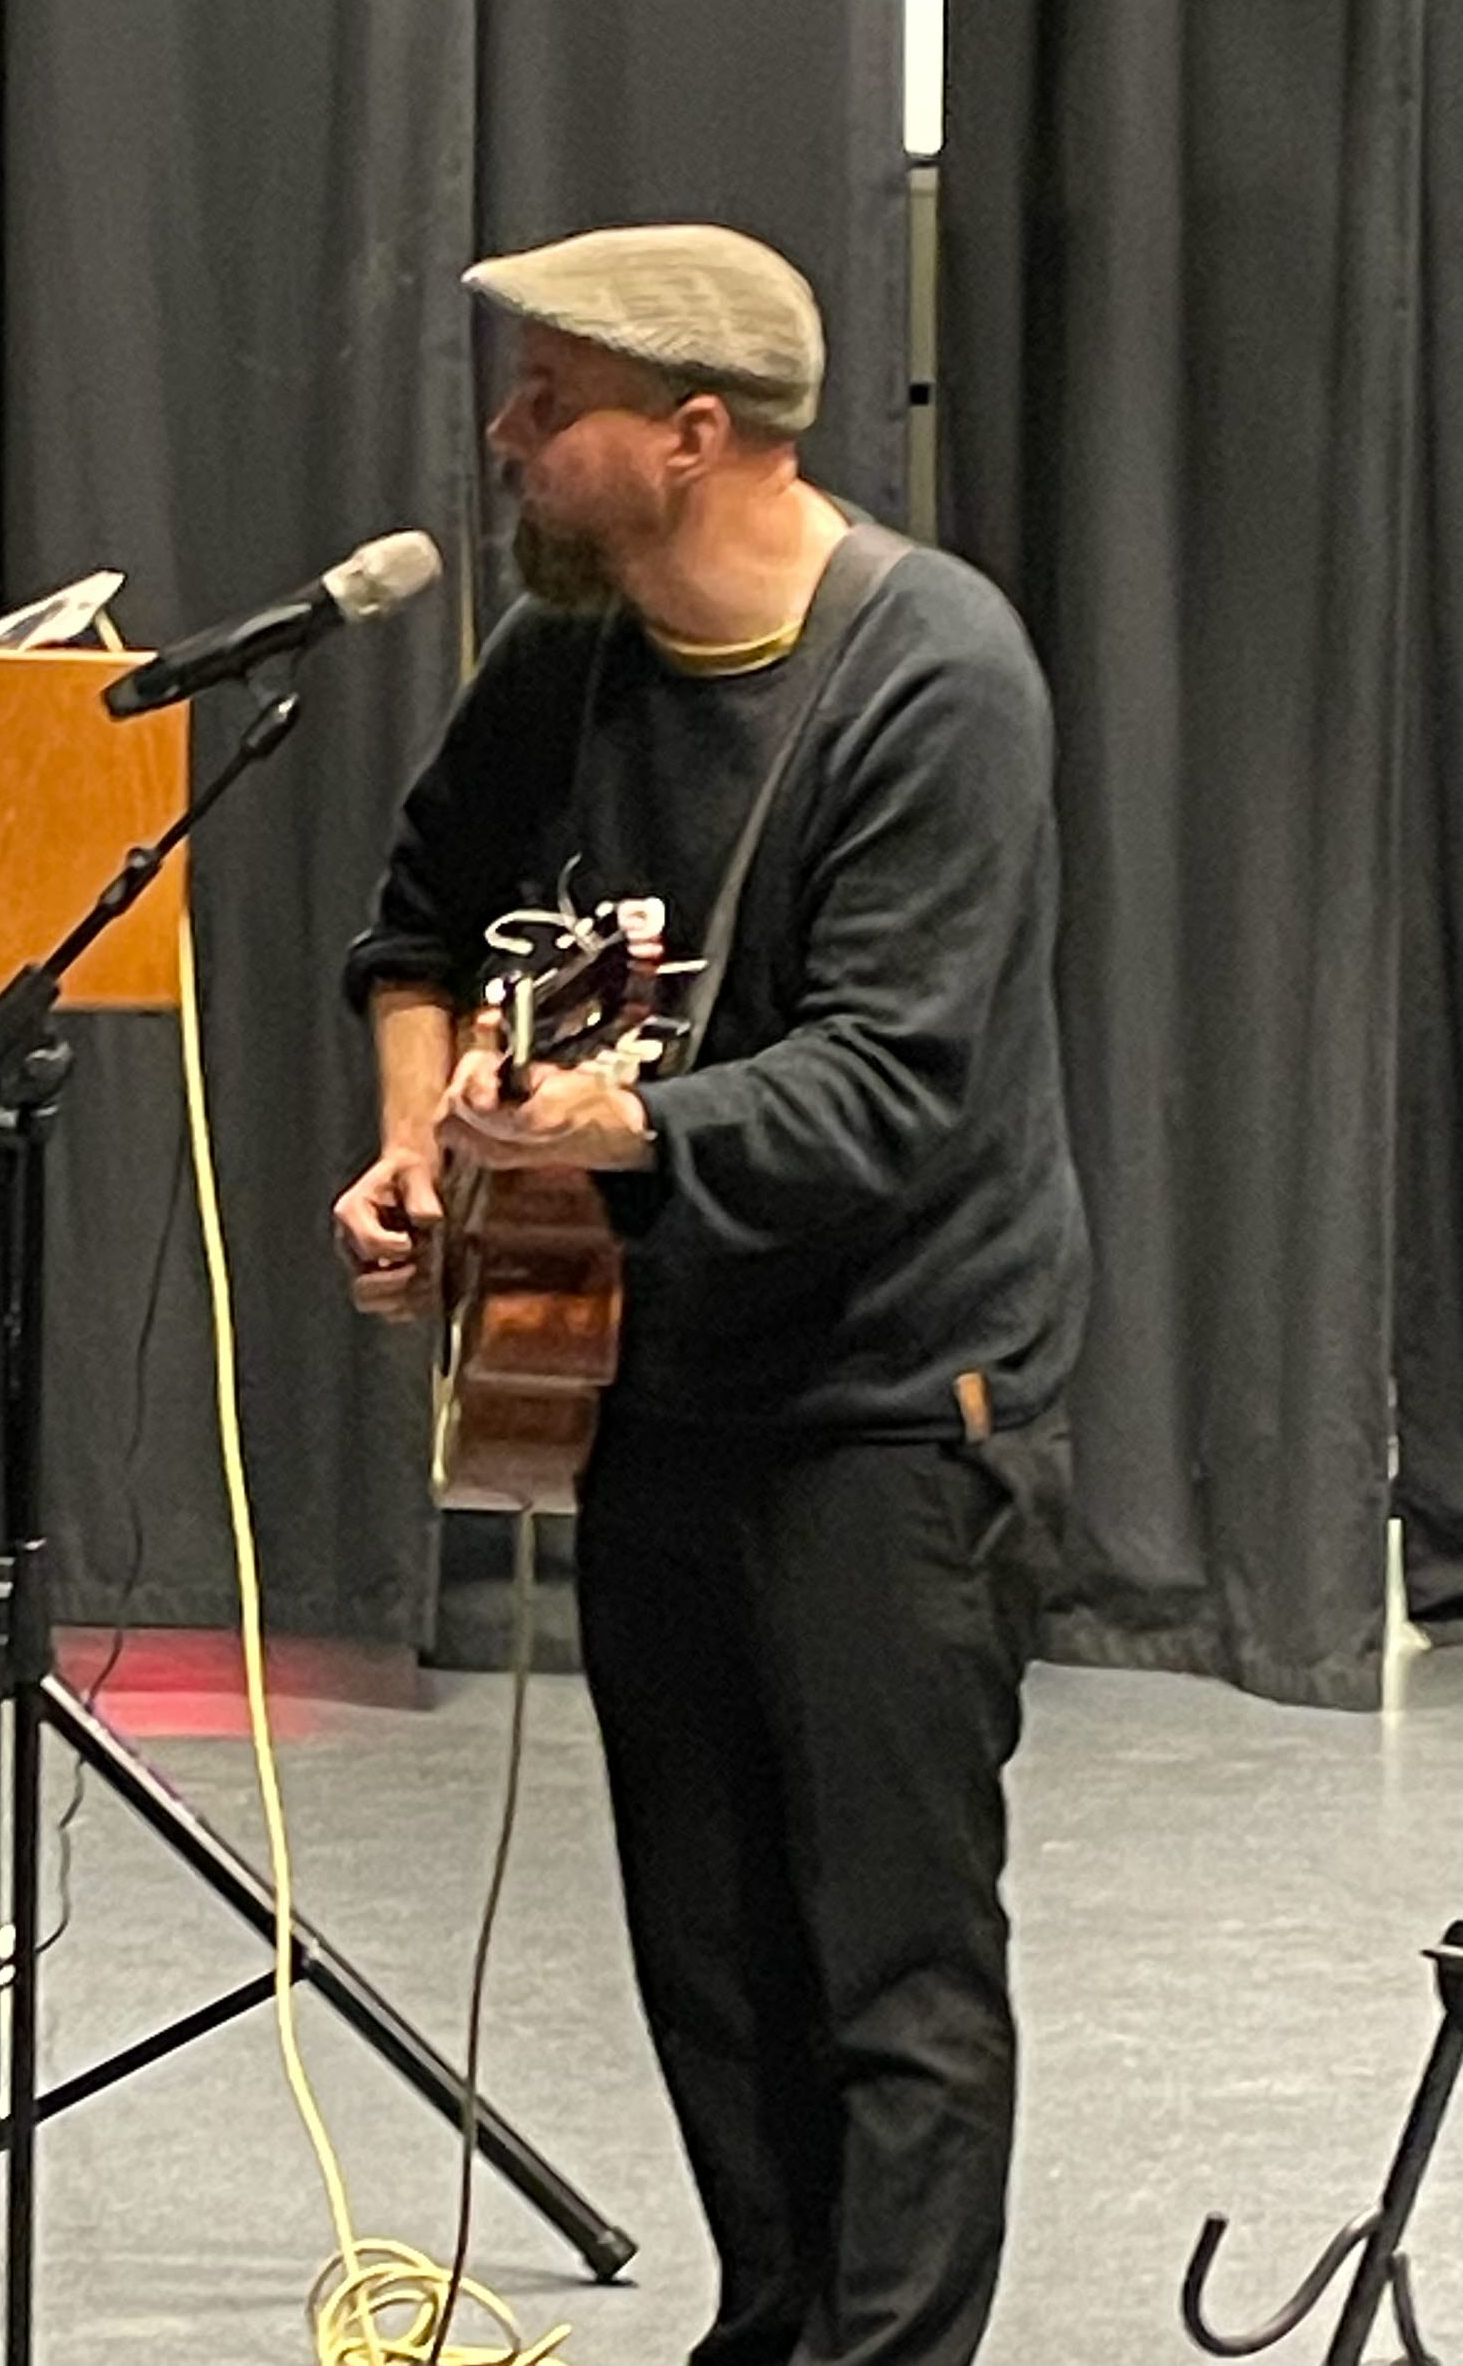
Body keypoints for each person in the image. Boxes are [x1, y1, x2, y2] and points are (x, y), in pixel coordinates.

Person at [334, 222, 1088, 2366]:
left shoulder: (933, 674)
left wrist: (615, 1126)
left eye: (547, 400)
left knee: (889, 1966)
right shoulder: (562, 656)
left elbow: (890, 1088)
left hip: (892, 1406)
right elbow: (415, 920)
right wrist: (421, 1152)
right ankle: (774, 2327)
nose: (506, 434)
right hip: (645, 1389)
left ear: (691, 433)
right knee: (711, 1952)